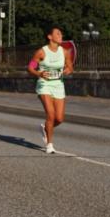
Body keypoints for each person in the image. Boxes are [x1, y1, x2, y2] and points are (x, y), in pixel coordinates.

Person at [27, 25, 74, 154]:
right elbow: (30, 67)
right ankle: (49, 144)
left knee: (59, 118)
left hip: (58, 85)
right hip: (44, 85)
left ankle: (45, 127)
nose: (61, 36)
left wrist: (66, 71)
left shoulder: (65, 52)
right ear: (50, 37)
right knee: (51, 114)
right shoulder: (41, 52)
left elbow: (70, 67)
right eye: (58, 34)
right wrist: (39, 74)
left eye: (61, 34)